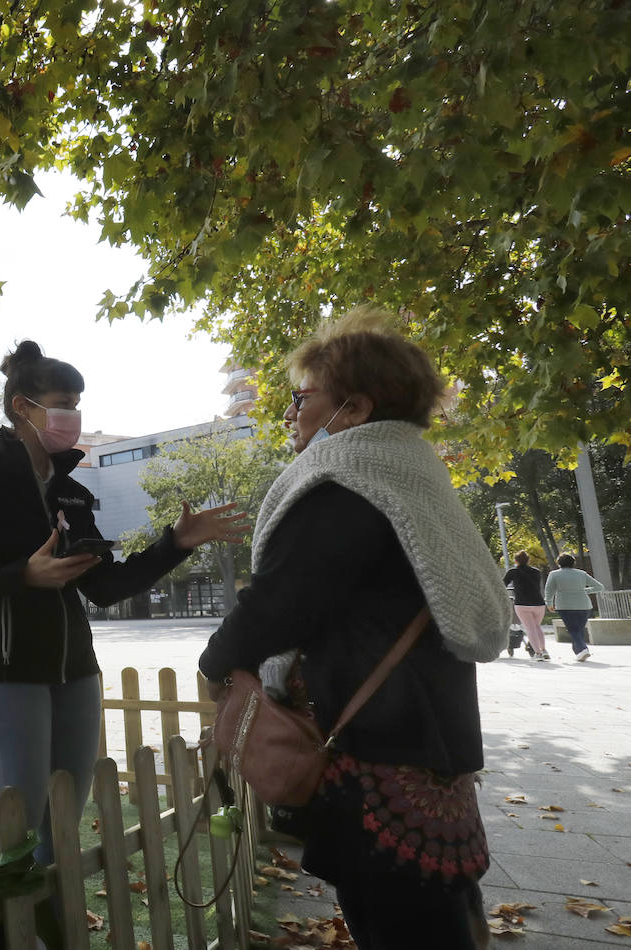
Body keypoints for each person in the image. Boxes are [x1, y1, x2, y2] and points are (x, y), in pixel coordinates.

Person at [197, 307, 509, 950]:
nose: (290, 412)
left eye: (301, 398)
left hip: (374, 745)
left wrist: (215, 660)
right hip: (429, 734)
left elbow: (279, 603)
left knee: (399, 921)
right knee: (440, 912)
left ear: (356, 408)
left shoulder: (346, 483)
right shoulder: (413, 475)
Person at [0, 340, 249, 866]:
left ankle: (57, 911)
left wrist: (175, 544)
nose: (72, 417)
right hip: (6, 676)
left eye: (76, 405)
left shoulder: (71, 491)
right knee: (17, 823)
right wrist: (23, 575)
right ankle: (7, 915)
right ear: (22, 407)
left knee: (63, 821)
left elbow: (104, 587)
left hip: (76, 672)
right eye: (62, 404)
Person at [543, 553, 606, 662]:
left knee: (573, 629)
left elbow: (549, 590)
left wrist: (549, 603)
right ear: (573, 563)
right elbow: (599, 587)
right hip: (584, 605)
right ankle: (578, 652)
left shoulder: (554, 574)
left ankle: (583, 649)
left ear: (559, 563)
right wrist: (584, 591)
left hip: (565, 605)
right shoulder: (581, 574)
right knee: (578, 629)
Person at [504, 550, 549, 660]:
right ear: (528, 560)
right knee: (536, 627)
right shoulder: (536, 572)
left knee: (530, 628)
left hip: (522, 603)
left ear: (516, 561)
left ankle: (538, 653)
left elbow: (502, 584)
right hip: (539, 603)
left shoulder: (513, 572)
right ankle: (544, 650)